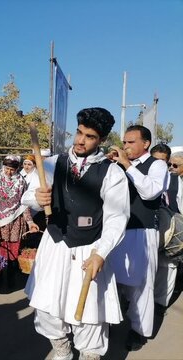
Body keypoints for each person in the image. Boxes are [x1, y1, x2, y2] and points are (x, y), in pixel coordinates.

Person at [23, 107, 130, 360]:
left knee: (90, 314)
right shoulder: (50, 164)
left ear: (101, 140)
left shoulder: (112, 173)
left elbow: (117, 218)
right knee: (49, 307)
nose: (80, 140)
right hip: (55, 245)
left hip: (89, 249)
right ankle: (62, 352)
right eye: (79, 133)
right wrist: (37, 198)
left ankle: (88, 355)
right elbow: (28, 196)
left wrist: (101, 253)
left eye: (89, 136)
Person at [108, 125, 168, 351]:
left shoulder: (157, 165)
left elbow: (150, 191)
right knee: (112, 281)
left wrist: (126, 164)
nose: (125, 146)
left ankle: (139, 330)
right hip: (117, 231)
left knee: (141, 285)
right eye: (124, 142)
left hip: (142, 232)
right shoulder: (117, 166)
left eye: (131, 142)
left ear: (146, 144)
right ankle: (111, 320)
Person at [0, 155, 38, 287]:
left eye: (12, 170)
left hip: (15, 220)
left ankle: (10, 280)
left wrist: (30, 222)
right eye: (7, 169)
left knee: (12, 251)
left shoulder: (21, 182)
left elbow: (24, 204)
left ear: (17, 169)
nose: (9, 172)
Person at [150, 144, 183, 312]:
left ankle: (159, 306)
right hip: (149, 233)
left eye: (165, 163)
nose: (161, 166)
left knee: (167, 269)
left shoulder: (176, 181)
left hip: (170, 232)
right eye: (155, 161)